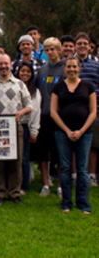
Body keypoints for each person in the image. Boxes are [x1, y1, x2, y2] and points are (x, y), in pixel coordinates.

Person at [0, 54, 32, 206]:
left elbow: (29, 105)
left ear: (11, 65)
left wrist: (21, 112)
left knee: (15, 160)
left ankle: (14, 193)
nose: (3, 66)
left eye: (6, 64)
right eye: (0, 64)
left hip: (14, 126)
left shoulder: (20, 84)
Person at [51, 56, 96, 214]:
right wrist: (67, 131)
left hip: (84, 133)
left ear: (79, 68)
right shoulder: (58, 87)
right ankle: (66, 203)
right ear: (65, 68)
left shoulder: (88, 86)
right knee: (65, 168)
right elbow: (53, 112)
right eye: (69, 67)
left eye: (74, 67)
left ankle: (83, 203)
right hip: (63, 133)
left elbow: (93, 112)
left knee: (82, 170)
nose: (71, 70)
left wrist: (81, 131)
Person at [36, 37, 64, 197]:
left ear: (58, 50)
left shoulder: (64, 69)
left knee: (59, 153)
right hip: (43, 116)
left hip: (59, 118)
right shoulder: (42, 70)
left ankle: (60, 185)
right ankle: (46, 184)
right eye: (47, 49)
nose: (50, 52)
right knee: (43, 153)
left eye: (53, 49)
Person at [74, 32, 99, 186]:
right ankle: (75, 175)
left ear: (90, 47)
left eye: (85, 43)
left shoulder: (96, 65)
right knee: (74, 142)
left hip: (93, 110)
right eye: (80, 43)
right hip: (74, 110)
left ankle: (91, 175)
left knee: (93, 144)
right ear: (76, 46)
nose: (82, 46)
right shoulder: (69, 63)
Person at [15, 62, 41, 193]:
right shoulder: (14, 86)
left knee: (24, 157)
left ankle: (24, 185)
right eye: (22, 71)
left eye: (28, 71)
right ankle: (14, 182)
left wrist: (34, 132)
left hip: (26, 126)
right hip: (13, 124)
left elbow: (36, 112)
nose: (25, 74)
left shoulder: (35, 91)